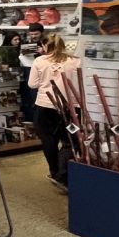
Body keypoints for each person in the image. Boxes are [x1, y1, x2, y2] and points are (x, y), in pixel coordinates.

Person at [28, 33, 81, 193]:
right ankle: (64, 174)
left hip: (45, 105)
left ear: (45, 46)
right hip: (71, 105)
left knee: (49, 140)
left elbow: (32, 84)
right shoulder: (75, 60)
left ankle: (55, 171)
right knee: (70, 141)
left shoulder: (39, 61)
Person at [19, 22, 45, 122]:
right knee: (29, 98)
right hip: (28, 71)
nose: (33, 36)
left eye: (36, 34)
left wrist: (43, 52)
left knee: (37, 98)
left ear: (41, 33)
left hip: (42, 73)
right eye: (31, 34)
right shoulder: (26, 42)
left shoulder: (47, 43)